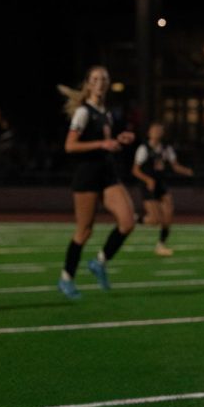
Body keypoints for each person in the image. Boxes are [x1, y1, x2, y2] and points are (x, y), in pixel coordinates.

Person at [56, 66, 136, 300]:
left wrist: (117, 140)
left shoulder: (106, 113)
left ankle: (100, 262)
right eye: (95, 79)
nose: (100, 82)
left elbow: (105, 142)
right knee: (84, 231)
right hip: (87, 175)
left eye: (104, 79)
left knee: (128, 221)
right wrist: (102, 144)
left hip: (107, 174)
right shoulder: (83, 112)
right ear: (89, 84)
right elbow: (70, 146)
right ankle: (66, 278)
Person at [131, 122, 194, 255]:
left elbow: (175, 166)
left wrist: (189, 171)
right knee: (154, 219)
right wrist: (148, 180)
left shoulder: (166, 148)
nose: (157, 132)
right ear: (149, 132)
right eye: (155, 130)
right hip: (148, 185)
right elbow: (135, 170)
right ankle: (135, 219)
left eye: (160, 130)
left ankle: (161, 244)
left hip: (161, 183)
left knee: (168, 212)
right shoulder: (143, 149)